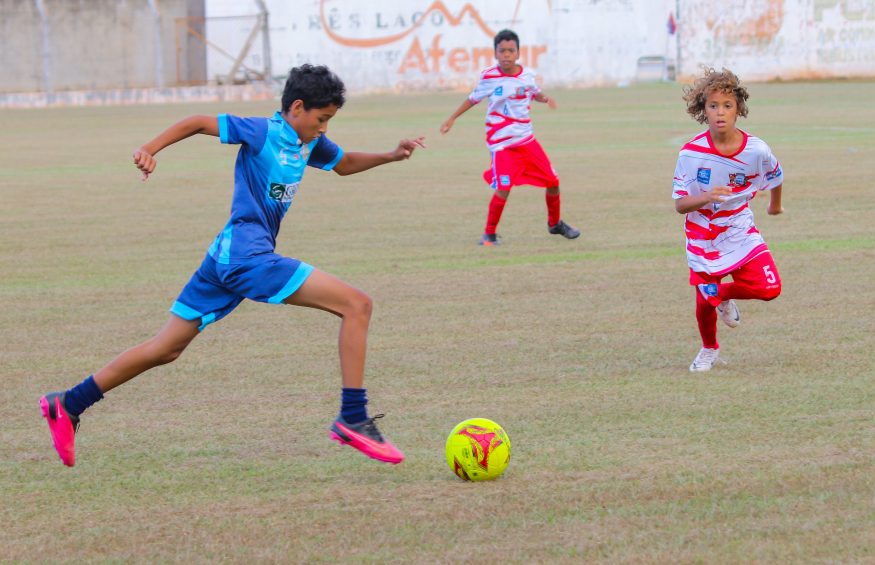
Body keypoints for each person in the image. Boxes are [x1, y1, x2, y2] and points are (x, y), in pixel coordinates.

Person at [39, 64, 425, 466]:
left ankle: (68, 403)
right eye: (321, 118)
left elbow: (343, 163)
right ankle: (353, 417)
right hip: (246, 256)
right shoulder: (263, 133)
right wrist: (150, 148)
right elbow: (198, 122)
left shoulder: (308, 142)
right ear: (296, 107)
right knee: (357, 305)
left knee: (166, 347)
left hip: (226, 255)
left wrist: (391, 156)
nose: (324, 128)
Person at [672, 67, 784, 372]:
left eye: (727, 105)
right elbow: (681, 204)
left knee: (769, 288)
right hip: (702, 233)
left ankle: (719, 294)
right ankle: (709, 349)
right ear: (702, 110)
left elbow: (775, 176)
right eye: (713, 105)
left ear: (739, 109)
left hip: (738, 228)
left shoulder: (756, 150)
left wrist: (775, 206)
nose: (720, 112)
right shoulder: (690, 154)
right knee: (701, 302)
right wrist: (707, 197)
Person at [440, 28, 580, 246]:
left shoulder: (527, 75)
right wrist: (452, 118)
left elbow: (533, 92)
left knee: (553, 181)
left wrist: (545, 99)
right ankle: (489, 235)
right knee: (504, 187)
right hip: (501, 144)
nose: (506, 55)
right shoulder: (489, 76)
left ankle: (555, 224)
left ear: (518, 53)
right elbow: (473, 98)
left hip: (526, 140)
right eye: (502, 51)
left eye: (510, 51)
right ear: (495, 53)